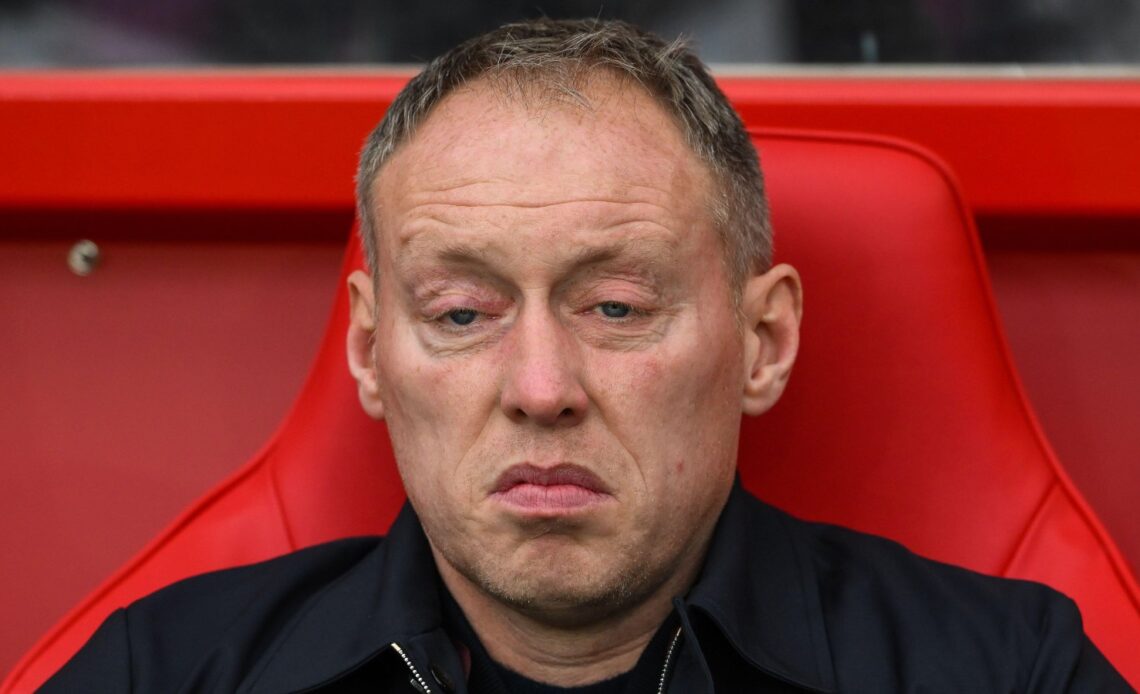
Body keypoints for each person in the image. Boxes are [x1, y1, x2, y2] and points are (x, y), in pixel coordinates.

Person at [43, 18, 1129, 693]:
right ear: (371, 351)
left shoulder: (1008, 669)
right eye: (463, 313)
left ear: (764, 341)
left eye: (614, 307)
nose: (542, 389)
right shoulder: (171, 671)